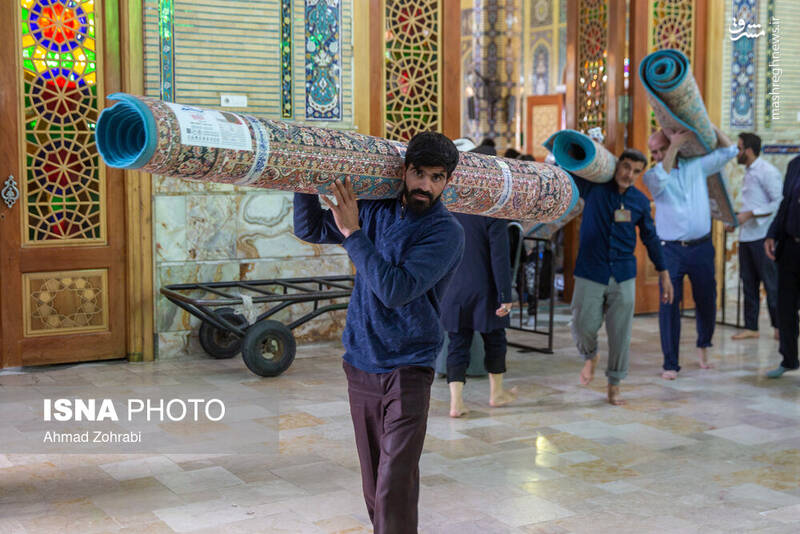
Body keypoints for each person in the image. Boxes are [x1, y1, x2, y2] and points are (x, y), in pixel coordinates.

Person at [293, 131, 465, 533]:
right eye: (419, 173)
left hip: (409, 366)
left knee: (394, 484)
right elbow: (310, 228)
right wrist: (300, 177)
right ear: (404, 171)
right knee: (374, 484)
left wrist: (353, 234)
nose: (425, 185)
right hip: (361, 360)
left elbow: (394, 289)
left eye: (436, 177)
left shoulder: (445, 232)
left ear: (447, 182)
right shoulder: (375, 209)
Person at [570, 149, 674, 405]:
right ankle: (590, 355)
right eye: (626, 167)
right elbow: (571, 168)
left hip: (624, 273)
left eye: (636, 171)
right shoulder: (594, 189)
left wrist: (664, 272)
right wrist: (589, 149)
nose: (629, 174)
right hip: (591, 270)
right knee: (582, 325)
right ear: (617, 165)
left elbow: (650, 237)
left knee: (620, 333)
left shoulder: (639, 201)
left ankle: (614, 383)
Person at [644, 127, 738, 378]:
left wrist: (708, 125)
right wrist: (672, 147)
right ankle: (670, 363)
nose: (658, 155)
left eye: (662, 148)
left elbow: (730, 151)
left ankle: (704, 344)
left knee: (707, 300)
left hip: (702, 247)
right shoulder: (652, 176)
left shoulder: (696, 166)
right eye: (654, 152)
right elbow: (662, 177)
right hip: (671, 250)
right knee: (669, 304)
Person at [440, 209, 515, 418]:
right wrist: (505, 295)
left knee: (457, 344)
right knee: (496, 339)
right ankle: (496, 393)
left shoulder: (449, 209)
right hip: (485, 290)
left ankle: (456, 403)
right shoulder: (493, 212)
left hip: (452, 289)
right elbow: (499, 257)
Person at [728, 132, 782, 340]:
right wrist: (735, 220)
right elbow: (750, 204)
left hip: (763, 237)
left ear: (749, 150)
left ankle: (779, 326)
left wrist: (751, 214)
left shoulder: (767, 171)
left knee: (771, 284)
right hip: (746, 237)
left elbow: (777, 203)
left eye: (739, 148)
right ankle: (751, 327)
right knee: (748, 284)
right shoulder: (749, 172)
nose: (737, 152)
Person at [765, 155, 800, 378]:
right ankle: (788, 359)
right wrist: (772, 233)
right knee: (785, 307)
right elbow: (785, 203)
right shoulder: (795, 164)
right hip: (790, 248)